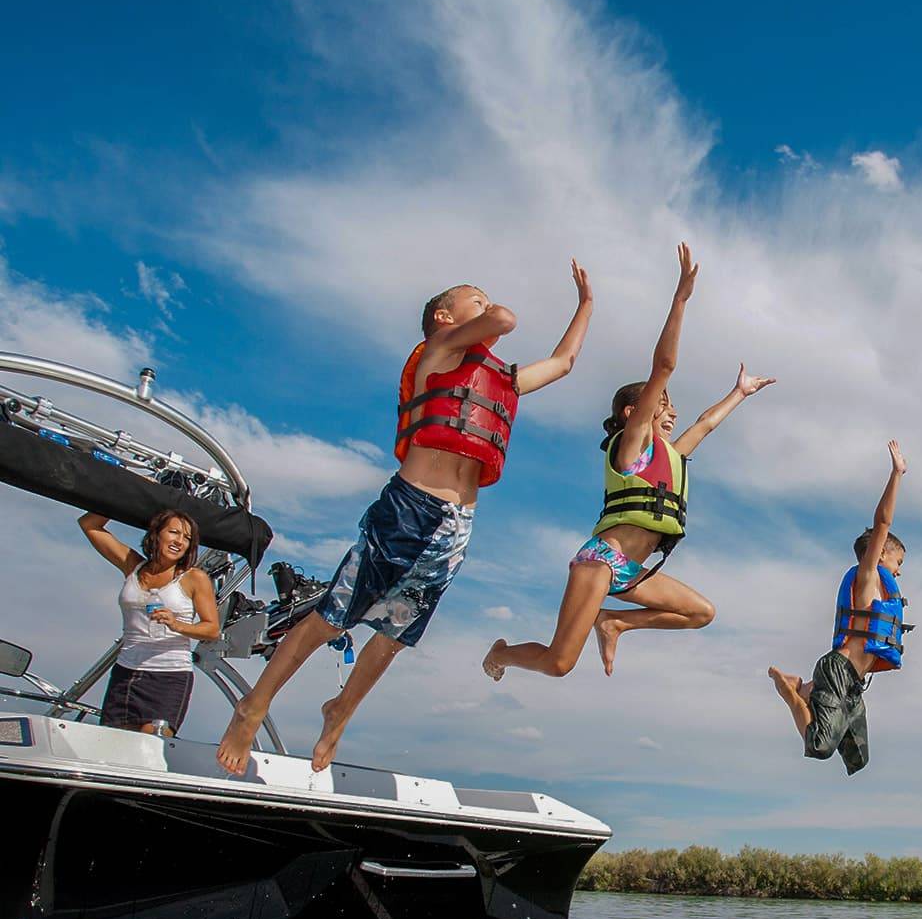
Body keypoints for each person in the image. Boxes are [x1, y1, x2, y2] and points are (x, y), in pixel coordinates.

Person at [216, 259, 596, 776]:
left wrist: (586, 305)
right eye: (474, 299)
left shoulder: (500, 378)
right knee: (332, 617)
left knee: (395, 635)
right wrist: (490, 313)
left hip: (456, 526)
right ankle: (252, 706)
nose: (487, 305)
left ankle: (340, 709)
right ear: (445, 316)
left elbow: (564, 362)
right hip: (409, 510)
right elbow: (504, 320)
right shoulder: (438, 354)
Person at [484, 244, 774, 681]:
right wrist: (680, 300)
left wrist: (740, 393)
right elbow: (664, 365)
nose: (671, 412)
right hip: (602, 561)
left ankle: (614, 621)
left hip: (632, 571)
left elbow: (706, 423)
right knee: (558, 663)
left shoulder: (671, 455)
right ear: (632, 413)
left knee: (701, 612)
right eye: (663, 405)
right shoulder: (633, 445)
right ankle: (501, 654)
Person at [768, 440, 910, 777]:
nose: (900, 570)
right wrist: (896, 474)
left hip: (851, 684)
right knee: (819, 746)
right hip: (838, 670)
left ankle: (807, 688)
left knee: (858, 759)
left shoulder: (880, 589)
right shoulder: (867, 577)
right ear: (879, 555)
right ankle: (793, 693)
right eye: (898, 561)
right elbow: (883, 522)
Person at [79, 509, 221, 735]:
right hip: (126, 672)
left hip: (169, 676)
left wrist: (176, 624)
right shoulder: (132, 565)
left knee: (149, 747)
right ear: (156, 534)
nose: (180, 541)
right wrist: (128, 490)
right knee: (113, 744)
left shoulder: (194, 578)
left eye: (187, 538)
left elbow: (212, 630)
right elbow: (89, 524)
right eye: (174, 532)